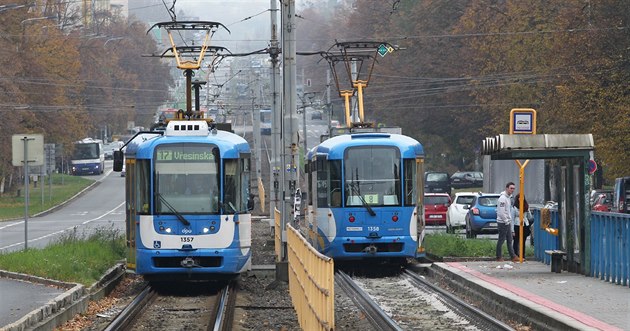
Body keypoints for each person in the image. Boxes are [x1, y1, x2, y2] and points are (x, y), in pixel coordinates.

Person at [496, 182, 518, 262]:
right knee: (501, 239)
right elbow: (501, 212)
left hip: (507, 221)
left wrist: (508, 221)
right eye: (511, 188)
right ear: (507, 188)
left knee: (510, 239)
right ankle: (498, 256)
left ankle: (513, 256)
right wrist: (505, 220)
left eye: (513, 188)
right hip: (502, 222)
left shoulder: (508, 198)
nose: (512, 190)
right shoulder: (502, 198)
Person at [512, 193, 531, 259]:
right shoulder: (514, 207)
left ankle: (522, 255)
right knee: (516, 240)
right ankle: (515, 255)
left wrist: (528, 210)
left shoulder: (526, 206)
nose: (521, 199)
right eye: (520, 198)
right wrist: (512, 230)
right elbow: (512, 219)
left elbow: (530, 217)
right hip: (517, 224)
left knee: (523, 240)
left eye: (522, 197)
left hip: (525, 224)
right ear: (517, 199)